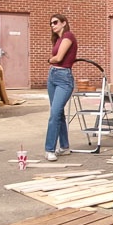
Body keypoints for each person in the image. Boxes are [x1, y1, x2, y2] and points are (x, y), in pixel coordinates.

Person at [44, 13, 77, 162]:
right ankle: (64, 147)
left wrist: (49, 60)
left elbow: (58, 58)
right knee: (58, 113)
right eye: (51, 23)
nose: (53, 25)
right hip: (53, 76)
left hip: (64, 79)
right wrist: (52, 62)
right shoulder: (58, 39)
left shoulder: (68, 36)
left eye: (55, 22)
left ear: (64, 23)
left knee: (54, 114)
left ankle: (49, 149)